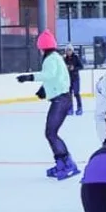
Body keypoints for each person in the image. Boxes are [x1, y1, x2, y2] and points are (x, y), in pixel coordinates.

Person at [16, 30, 79, 179]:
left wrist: (29, 77)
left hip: (60, 100)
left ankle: (67, 164)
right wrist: (44, 89)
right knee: (51, 133)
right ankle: (62, 163)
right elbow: (57, 77)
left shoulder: (50, 59)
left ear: (42, 47)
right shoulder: (56, 57)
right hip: (62, 98)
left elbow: (49, 75)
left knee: (51, 133)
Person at [63, 45, 85, 116]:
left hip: (75, 78)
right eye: (67, 50)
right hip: (68, 79)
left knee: (76, 93)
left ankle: (79, 108)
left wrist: (74, 68)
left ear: (72, 51)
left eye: (70, 50)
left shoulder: (76, 57)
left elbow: (81, 66)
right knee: (69, 95)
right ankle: (70, 108)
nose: (68, 52)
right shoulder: (64, 59)